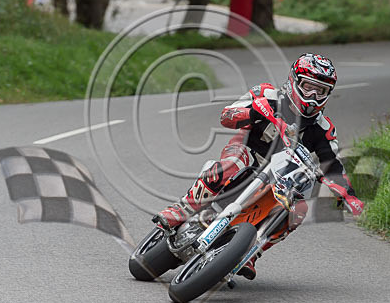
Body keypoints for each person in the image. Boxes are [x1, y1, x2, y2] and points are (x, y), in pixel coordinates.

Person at [154, 53, 364, 280]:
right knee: (233, 163)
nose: (312, 96)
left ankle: (252, 251)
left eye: (320, 91)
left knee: (298, 209)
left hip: (279, 179)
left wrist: (349, 195)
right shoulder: (267, 94)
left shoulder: (323, 128)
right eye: (308, 87)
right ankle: (182, 208)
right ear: (294, 81)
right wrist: (254, 112)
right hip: (246, 153)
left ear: (327, 95)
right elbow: (226, 116)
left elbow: (332, 164)